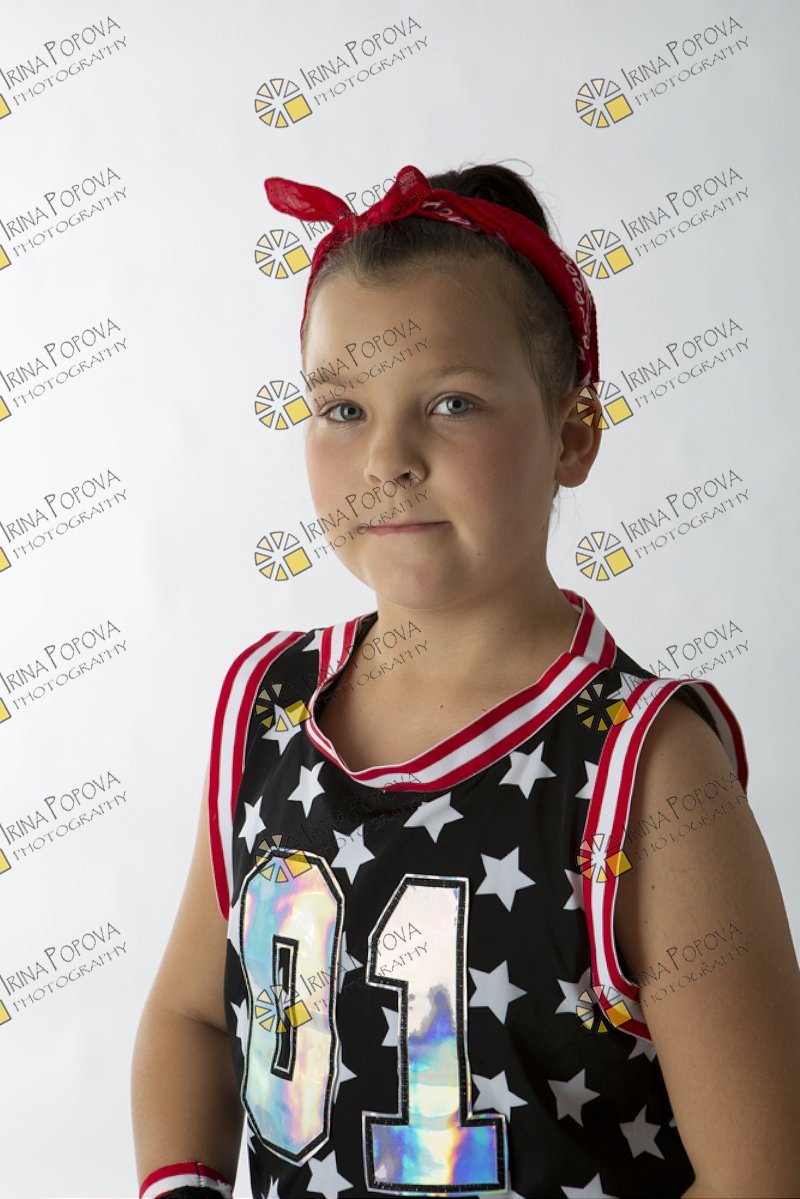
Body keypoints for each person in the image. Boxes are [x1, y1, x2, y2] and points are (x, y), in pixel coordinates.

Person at [131, 162, 800, 1199]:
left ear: (572, 432)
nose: (387, 458)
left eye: (451, 402)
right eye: (342, 407)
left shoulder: (644, 768)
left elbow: (761, 1170)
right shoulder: (268, 706)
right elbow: (190, 1016)